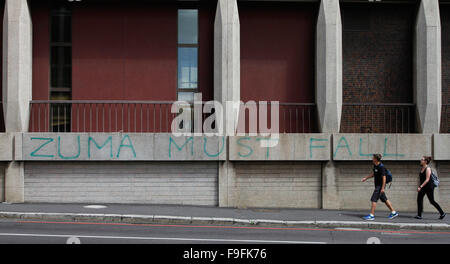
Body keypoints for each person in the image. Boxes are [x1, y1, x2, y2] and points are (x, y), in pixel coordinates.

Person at [361, 154, 398, 220]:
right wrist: (366, 178)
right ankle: (393, 212)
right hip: (378, 186)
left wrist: (382, 188)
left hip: (380, 186)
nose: (372, 158)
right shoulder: (375, 166)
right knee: (384, 199)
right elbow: (374, 174)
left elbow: (384, 178)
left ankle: (371, 215)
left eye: (373, 158)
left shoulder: (381, 167)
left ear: (375, 159)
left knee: (373, 199)